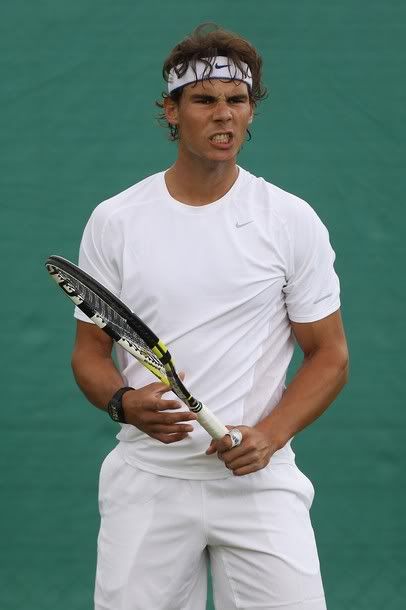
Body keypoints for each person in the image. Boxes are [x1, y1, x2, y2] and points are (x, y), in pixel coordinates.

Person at [71, 23, 349, 610]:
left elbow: (330, 356)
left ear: (251, 112)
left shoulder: (290, 220)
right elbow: (90, 353)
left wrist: (270, 437)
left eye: (236, 100)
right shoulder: (114, 221)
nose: (223, 115)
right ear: (170, 111)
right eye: (203, 100)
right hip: (146, 483)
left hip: (260, 484)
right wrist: (123, 403)